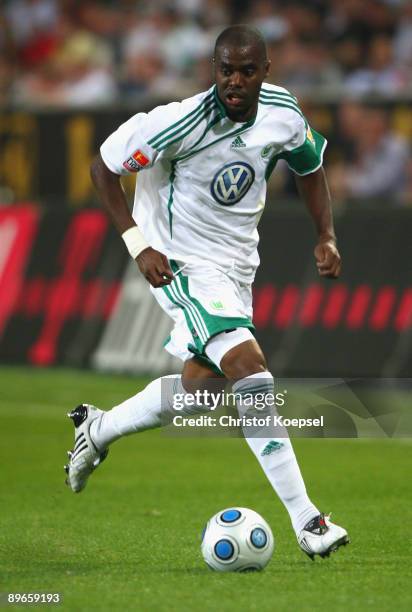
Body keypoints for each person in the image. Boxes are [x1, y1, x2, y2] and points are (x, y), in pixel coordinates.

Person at [64, 25, 349, 560]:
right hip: (181, 265)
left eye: (246, 71)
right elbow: (103, 168)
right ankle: (307, 519)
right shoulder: (178, 122)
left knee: (201, 392)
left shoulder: (284, 113)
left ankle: (99, 429)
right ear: (212, 69)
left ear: (265, 72)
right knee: (251, 370)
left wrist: (326, 234)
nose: (234, 82)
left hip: (238, 266)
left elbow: (310, 168)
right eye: (225, 71)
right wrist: (137, 244)